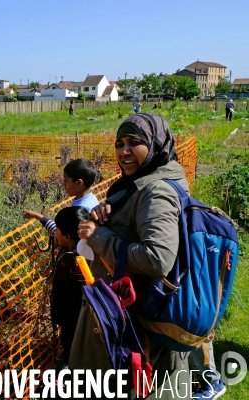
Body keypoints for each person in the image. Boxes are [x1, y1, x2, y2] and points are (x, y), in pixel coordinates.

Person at [73, 113, 192, 399]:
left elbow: (157, 257)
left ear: (155, 144)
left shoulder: (156, 189)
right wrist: (110, 210)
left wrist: (99, 236)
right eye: (119, 143)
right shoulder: (149, 179)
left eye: (134, 143)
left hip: (131, 326)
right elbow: (138, 224)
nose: (124, 151)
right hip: (128, 314)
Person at [23, 158, 99, 259]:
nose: (63, 185)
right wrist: (38, 216)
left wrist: (55, 240)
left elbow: (64, 234)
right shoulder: (89, 199)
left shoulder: (82, 209)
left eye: (66, 181)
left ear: (78, 183)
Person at [48, 206, 89, 363]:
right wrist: (41, 218)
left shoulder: (73, 261)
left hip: (71, 318)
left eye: (57, 230)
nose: (54, 233)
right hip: (74, 317)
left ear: (66, 236)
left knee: (72, 347)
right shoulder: (84, 249)